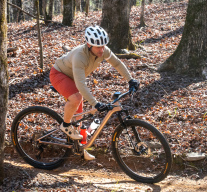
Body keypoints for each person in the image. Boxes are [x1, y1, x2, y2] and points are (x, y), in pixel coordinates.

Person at [49, 25, 139, 160]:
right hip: (59, 74)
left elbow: (117, 64)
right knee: (76, 97)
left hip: (74, 77)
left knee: (79, 118)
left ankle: (79, 149)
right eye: (98, 47)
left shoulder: (103, 51)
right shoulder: (80, 56)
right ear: (89, 45)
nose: (102, 50)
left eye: (103, 46)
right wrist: (95, 103)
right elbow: (80, 84)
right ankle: (66, 125)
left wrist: (130, 79)